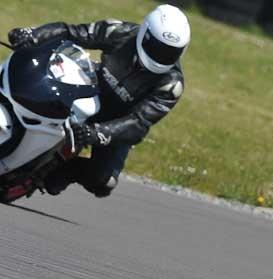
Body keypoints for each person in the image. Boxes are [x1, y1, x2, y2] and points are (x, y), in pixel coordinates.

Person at [7, 5, 190, 198]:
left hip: (118, 122)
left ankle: (59, 171)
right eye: (157, 48)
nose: (161, 56)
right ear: (145, 34)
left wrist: (96, 133)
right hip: (89, 90)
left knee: (104, 181)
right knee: (34, 93)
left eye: (169, 52)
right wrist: (33, 35)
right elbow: (72, 33)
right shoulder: (120, 32)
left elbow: (139, 123)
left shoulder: (171, 85)